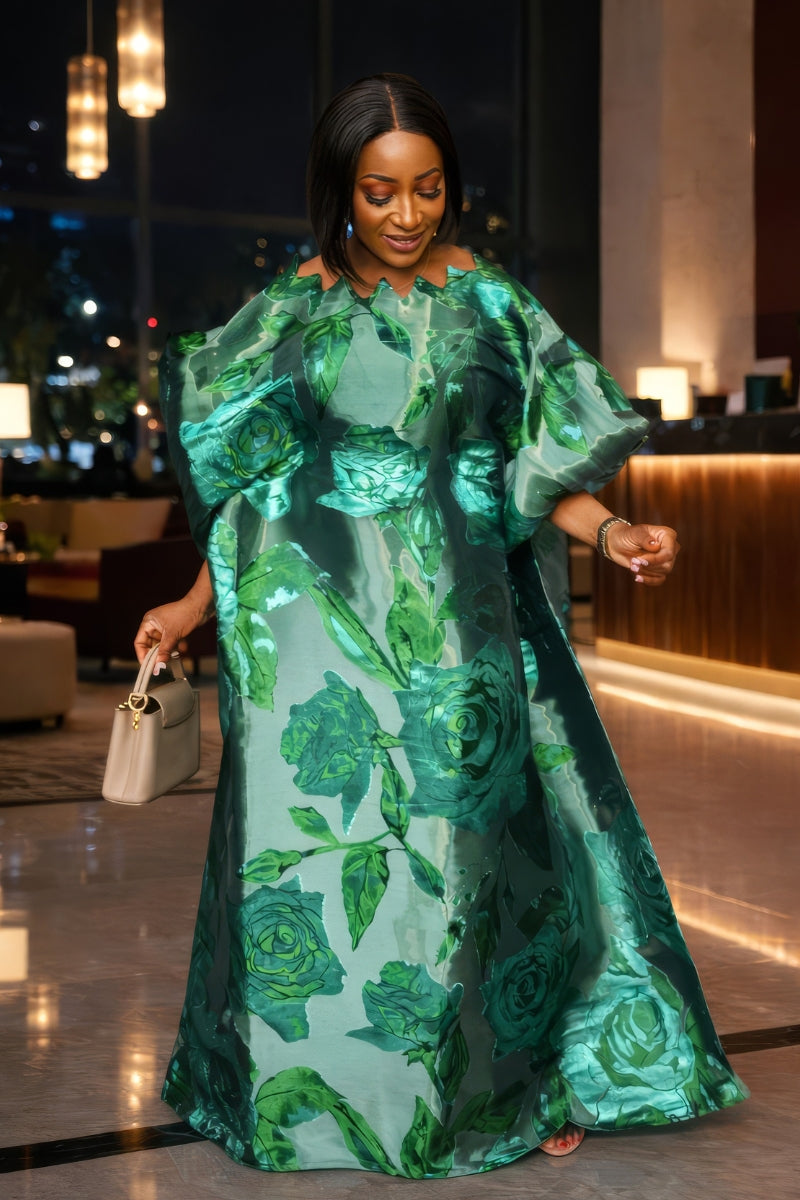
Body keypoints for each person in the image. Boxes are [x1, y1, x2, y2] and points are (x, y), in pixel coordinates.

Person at [134, 73, 746, 1178]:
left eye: (427, 190)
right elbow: (247, 484)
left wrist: (610, 534)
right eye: (380, 193)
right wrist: (183, 611)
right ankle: (299, 1094)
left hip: (459, 626)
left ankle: (496, 1093)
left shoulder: (490, 304)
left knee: (467, 867)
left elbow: (533, 459)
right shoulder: (291, 312)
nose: (408, 216)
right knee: (317, 883)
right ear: (340, 192)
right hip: (314, 649)